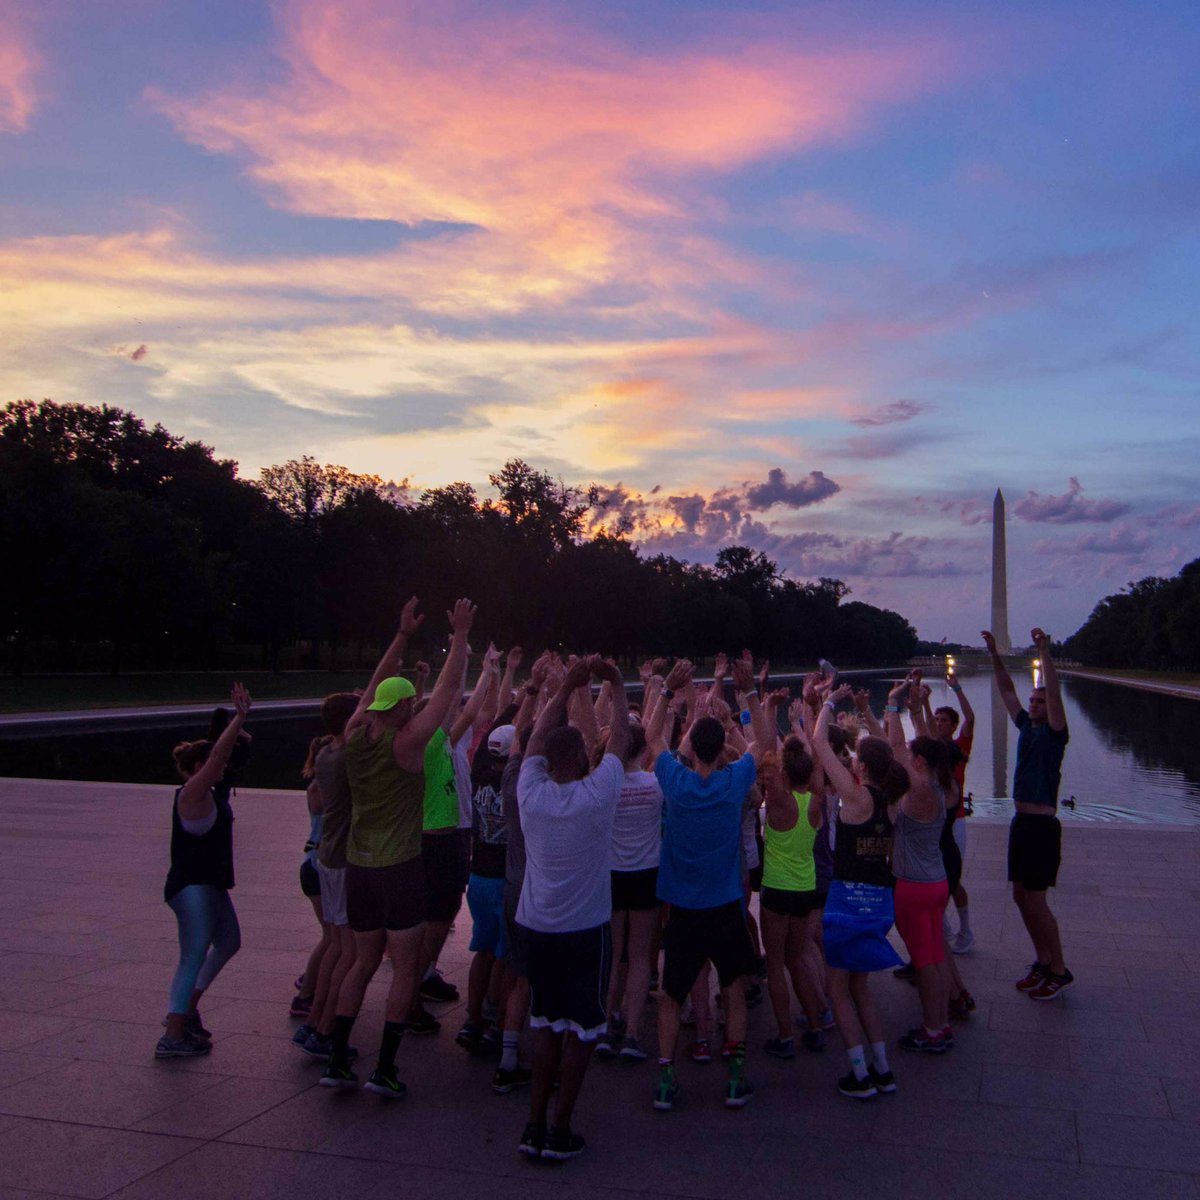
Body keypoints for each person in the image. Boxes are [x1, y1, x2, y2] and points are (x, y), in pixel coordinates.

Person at [321, 595, 476, 1098]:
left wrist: (402, 636)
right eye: (410, 701)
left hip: (359, 868)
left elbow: (368, 690)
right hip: (401, 869)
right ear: (404, 706)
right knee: (405, 967)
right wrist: (460, 637)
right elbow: (450, 690)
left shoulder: (354, 735)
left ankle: (337, 1059)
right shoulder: (406, 745)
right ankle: (385, 1068)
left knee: (363, 962)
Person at [515, 656, 630, 1161]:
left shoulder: (529, 793)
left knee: (543, 1021)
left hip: (536, 925)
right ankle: (561, 1128)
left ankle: (533, 1124)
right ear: (584, 756)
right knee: (582, 1028)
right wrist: (618, 685)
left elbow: (537, 739)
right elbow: (622, 740)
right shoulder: (597, 796)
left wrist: (563, 690)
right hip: (585, 929)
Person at [650, 657, 767, 1113]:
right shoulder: (733, 782)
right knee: (734, 985)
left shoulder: (674, 782)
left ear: (692, 751)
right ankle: (735, 1075)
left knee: (672, 993)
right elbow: (765, 742)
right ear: (721, 752)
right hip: (723, 906)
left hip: (682, 907)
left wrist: (667, 692)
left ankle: (665, 1077)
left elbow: (654, 739)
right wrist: (748, 695)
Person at [812, 683, 907, 1100]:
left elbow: (818, 742)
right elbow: (890, 752)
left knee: (837, 989)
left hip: (848, 900)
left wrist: (828, 700)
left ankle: (859, 1074)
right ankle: (882, 1067)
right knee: (860, 987)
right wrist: (872, 717)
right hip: (879, 901)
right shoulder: (891, 801)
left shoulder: (853, 797)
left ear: (861, 767)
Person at [156, 683, 251, 1059]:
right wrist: (238, 717)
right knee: (193, 954)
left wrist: (241, 726)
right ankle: (173, 1034)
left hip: (210, 884)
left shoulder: (213, 793)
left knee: (229, 942)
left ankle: (187, 1009)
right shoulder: (191, 793)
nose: (223, 768)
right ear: (199, 768)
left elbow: (225, 758)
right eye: (216, 764)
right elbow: (216, 759)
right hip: (190, 887)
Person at [984, 626, 1073, 999]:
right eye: (1033, 701)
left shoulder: (1055, 734)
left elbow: (1053, 691)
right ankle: (1041, 960)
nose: (1034, 704)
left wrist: (1044, 653)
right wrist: (993, 654)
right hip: (1021, 823)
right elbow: (1006, 690)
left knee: (1036, 899)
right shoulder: (1024, 727)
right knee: (1021, 896)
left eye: (1039, 701)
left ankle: (1059, 968)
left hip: (1040, 826)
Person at [884, 678, 953, 1054]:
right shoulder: (942, 784)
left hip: (912, 885)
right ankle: (941, 1022)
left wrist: (894, 705)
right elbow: (923, 747)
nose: (907, 755)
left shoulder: (920, 787)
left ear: (920, 761)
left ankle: (931, 1028)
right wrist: (916, 711)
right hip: (937, 880)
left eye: (914, 754)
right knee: (936, 956)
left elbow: (894, 747)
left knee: (925, 960)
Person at [292, 693, 360, 1059]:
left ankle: (314, 1024)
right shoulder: (349, 757)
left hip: (326, 859)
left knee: (335, 946)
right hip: (344, 862)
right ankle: (326, 1032)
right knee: (349, 954)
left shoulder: (325, 754)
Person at [758, 731, 830, 1058]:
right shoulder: (817, 802)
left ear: (784, 774)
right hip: (805, 889)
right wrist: (811, 724)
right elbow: (817, 763)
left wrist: (756, 702)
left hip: (776, 889)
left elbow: (764, 756)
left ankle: (785, 1036)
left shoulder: (779, 801)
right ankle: (815, 1026)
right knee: (797, 957)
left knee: (775, 963)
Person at [595, 720, 663, 1063]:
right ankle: (633, 1032)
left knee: (613, 954)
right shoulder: (654, 784)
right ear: (643, 750)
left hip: (612, 875)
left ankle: (607, 1025)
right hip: (646, 874)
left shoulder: (606, 786)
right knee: (638, 958)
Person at [932, 672, 976, 953]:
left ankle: (965, 929)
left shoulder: (960, 747)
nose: (938, 725)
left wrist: (957, 688)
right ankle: (942, 927)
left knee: (953, 878)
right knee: (934, 875)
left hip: (956, 819)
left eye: (944, 721)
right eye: (936, 720)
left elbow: (971, 719)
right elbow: (918, 722)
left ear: (953, 725)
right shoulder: (931, 748)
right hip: (933, 821)